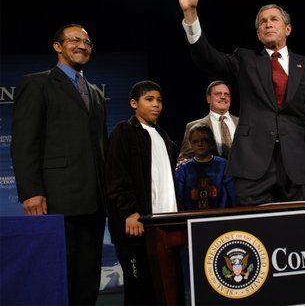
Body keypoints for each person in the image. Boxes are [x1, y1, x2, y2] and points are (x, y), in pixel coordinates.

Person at [175, 0, 305, 206]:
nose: (268, 24)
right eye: (262, 22)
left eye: (274, 19)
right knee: (253, 234)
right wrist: (191, 14)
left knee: (298, 232)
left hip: (298, 164)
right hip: (252, 165)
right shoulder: (245, 60)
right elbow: (207, 58)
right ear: (258, 34)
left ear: (288, 29)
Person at [10, 23, 108, 305]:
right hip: (56, 199)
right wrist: (30, 191)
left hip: (94, 202)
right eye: (74, 40)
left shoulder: (96, 93)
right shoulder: (37, 83)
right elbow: (24, 142)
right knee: (58, 276)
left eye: (87, 42)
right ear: (58, 46)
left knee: (88, 279)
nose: (82, 46)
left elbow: (100, 147)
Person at [105, 80, 180, 305]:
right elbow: (116, 175)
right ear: (133, 103)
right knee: (140, 291)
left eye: (159, 100)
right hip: (137, 228)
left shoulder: (164, 137)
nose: (156, 104)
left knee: (167, 290)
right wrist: (130, 212)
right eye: (149, 99)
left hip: (166, 227)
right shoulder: (124, 131)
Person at [177, 80, 239, 165]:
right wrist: (183, 162)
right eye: (218, 94)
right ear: (208, 98)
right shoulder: (193, 126)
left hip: (242, 176)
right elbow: (186, 156)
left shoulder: (242, 122)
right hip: (209, 176)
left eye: (227, 94)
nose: (223, 97)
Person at [176, 122, 235, 210]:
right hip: (192, 218)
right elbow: (179, 197)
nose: (200, 144)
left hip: (220, 216)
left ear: (211, 142)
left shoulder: (224, 165)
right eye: (195, 141)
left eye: (204, 140)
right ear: (190, 144)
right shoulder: (184, 169)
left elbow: (232, 194)